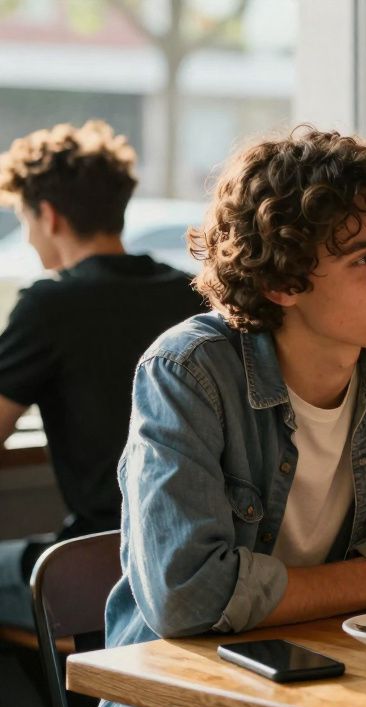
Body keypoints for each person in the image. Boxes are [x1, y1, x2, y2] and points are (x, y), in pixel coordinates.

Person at [94, 128, 366, 707]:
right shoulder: (187, 373)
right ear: (282, 283)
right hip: (188, 706)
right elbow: (187, 597)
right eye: (365, 257)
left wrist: (296, 591)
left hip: (349, 678)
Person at [0, 120, 204, 633]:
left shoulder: (48, 306)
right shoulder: (191, 294)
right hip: (194, 554)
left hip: (99, 561)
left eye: (23, 218)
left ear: (47, 215)